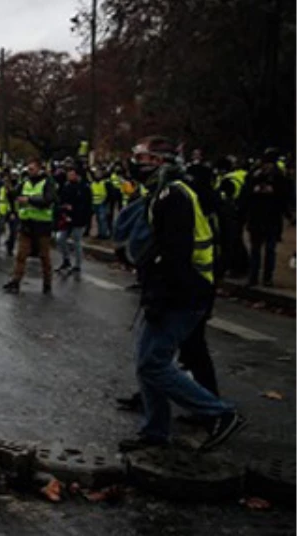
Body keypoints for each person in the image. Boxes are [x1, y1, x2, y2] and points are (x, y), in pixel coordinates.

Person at [118, 136, 244, 452]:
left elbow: (175, 252)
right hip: (176, 289)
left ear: (159, 162)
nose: (136, 163)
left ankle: (219, 413)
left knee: (152, 363)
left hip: (183, 292)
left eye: (142, 158)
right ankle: (155, 432)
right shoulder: (163, 192)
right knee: (147, 360)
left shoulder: (172, 195)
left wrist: (160, 296)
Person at [3, 158, 57, 295]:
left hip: (42, 224)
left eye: (32, 169)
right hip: (27, 224)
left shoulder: (48, 182)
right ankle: (15, 281)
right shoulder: (25, 182)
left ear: (39, 169)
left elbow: (48, 200)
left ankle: (47, 283)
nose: (29, 171)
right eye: (28, 169)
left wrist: (29, 200)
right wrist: (9, 188)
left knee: (44, 256)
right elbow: (15, 194)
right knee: (21, 254)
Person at [241, 149, 293, 288]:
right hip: (258, 217)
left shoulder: (280, 178)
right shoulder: (254, 176)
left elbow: (286, 196)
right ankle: (254, 277)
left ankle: (266, 278)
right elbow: (245, 194)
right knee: (257, 249)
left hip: (270, 217)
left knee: (269, 249)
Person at [57, 164, 91, 275]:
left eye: (71, 174)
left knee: (77, 241)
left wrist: (75, 209)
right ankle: (66, 260)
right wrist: (63, 208)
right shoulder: (66, 186)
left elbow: (86, 205)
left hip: (79, 219)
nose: (69, 176)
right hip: (66, 217)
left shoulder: (84, 188)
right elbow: (61, 199)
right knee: (60, 239)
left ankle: (77, 265)